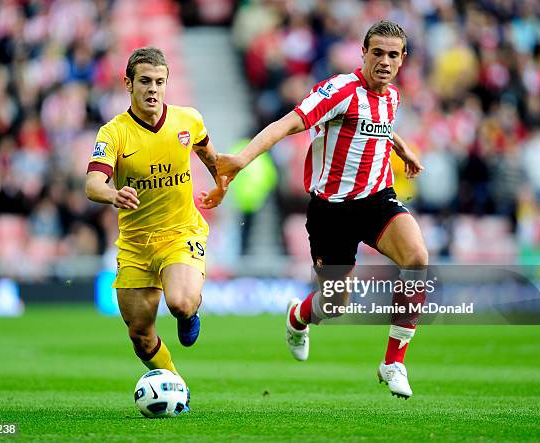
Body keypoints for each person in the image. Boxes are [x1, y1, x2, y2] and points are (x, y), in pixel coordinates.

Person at [216, 21, 427, 399]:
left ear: (402, 60)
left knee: (417, 257)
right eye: (377, 52)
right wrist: (241, 160)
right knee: (334, 305)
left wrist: (402, 147)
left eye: (392, 55)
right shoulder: (340, 90)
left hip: (377, 200)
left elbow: (379, 123)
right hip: (332, 212)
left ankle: (393, 361)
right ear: (363, 53)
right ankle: (299, 316)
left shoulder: (392, 96)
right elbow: (287, 124)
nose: (384, 61)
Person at [85, 47, 226, 392]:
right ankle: (177, 386)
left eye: (159, 82)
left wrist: (220, 184)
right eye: (145, 81)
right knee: (140, 336)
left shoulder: (187, 120)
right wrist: (112, 194)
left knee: (179, 303)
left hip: (180, 232)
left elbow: (210, 154)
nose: (153, 89)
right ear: (128, 84)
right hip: (135, 246)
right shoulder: (113, 133)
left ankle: (191, 312)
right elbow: (92, 184)